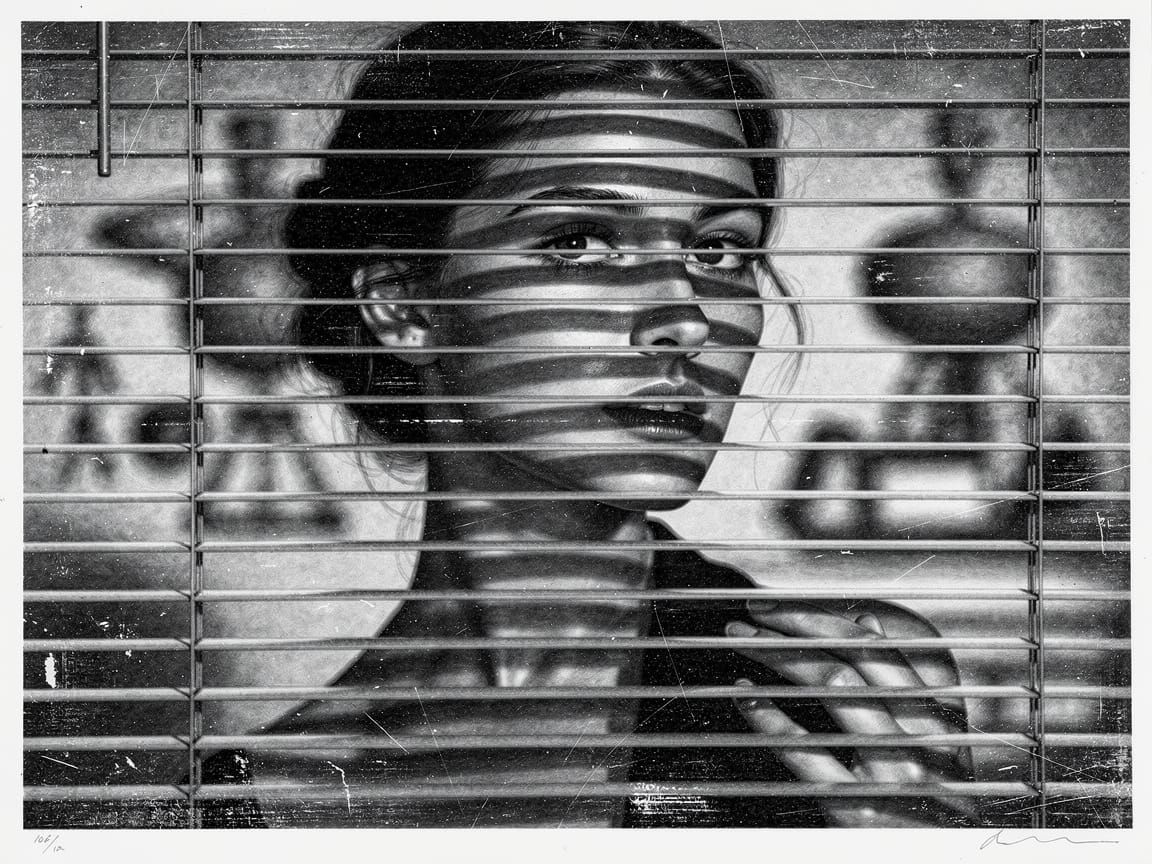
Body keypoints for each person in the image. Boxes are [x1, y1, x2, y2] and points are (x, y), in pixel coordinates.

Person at [203, 20, 977, 829]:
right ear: (405, 304)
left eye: (718, 250)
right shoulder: (268, 800)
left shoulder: (839, 690)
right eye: (579, 241)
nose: (684, 316)